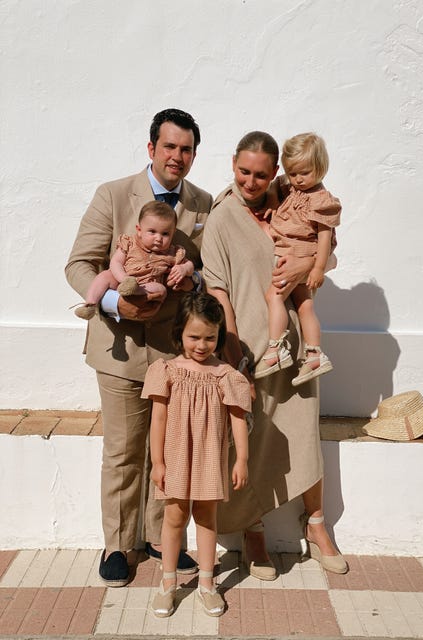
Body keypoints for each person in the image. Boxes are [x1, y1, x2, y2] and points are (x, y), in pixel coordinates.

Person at [65, 108, 213, 587]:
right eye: (169, 147)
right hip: (119, 349)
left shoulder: (203, 204)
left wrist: (192, 274)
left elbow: (210, 270)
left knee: (167, 448)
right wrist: (112, 302)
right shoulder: (112, 195)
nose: (178, 156)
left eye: (186, 149)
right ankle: (117, 543)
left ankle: (156, 535)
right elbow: (80, 264)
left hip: (174, 354)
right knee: (124, 450)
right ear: (151, 149)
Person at [201, 130, 348, 579]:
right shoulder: (222, 217)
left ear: (275, 173)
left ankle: (318, 526)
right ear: (232, 164)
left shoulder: (292, 202)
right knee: (251, 435)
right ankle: (253, 528)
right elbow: (217, 288)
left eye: (261, 174)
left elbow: (326, 255)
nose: (250, 180)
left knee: (304, 428)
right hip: (249, 345)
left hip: (297, 349)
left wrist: (309, 265)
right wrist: (229, 350)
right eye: (243, 171)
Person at [142, 292, 250, 617]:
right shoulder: (166, 371)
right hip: (175, 457)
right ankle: (168, 585)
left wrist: (241, 459)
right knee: (174, 518)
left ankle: (207, 584)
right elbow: (158, 419)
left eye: (209, 338)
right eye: (193, 337)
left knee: (206, 517)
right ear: (180, 333)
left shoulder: (226, 375)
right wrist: (157, 462)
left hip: (208, 459)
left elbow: (237, 419)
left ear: (218, 336)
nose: (201, 345)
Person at [255, 133, 341, 386]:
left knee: (274, 296)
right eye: (293, 173)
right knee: (305, 306)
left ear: (320, 167)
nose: (298, 179)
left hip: (301, 254)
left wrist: (317, 268)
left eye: (304, 173)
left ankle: (275, 349)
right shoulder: (289, 187)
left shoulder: (321, 201)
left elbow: (324, 238)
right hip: (292, 251)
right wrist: (272, 200)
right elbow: (275, 185)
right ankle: (314, 354)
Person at [74, 201, 194, 320]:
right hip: (122, 280)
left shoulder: (173, 253)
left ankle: (135, 291)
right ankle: (90, 304)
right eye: (152, 231)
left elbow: (190, 265)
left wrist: (183, 269)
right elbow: (116, 263)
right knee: (104, 276)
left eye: (165, 234)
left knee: (160, 289)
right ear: (139, 230)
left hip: (146, 288)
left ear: (173, 234)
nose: (158, 238)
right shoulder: (129, 243)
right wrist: (124, 279)